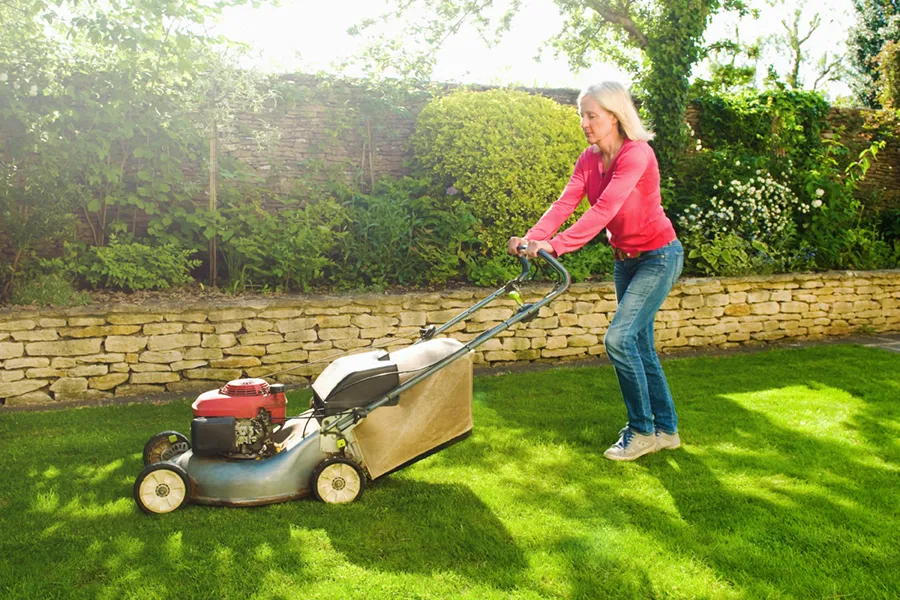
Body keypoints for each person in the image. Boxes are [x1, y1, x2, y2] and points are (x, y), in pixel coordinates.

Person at [507, 81, 684, 462]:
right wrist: (532, 238)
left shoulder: (637, 155)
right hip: (625, 259)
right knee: (640, 345)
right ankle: (666, 431)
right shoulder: (589, 159)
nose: (585, 123)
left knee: (619, 340)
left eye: (592, 115)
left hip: (658, 256)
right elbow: (565, 202)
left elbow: (604, 209)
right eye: (582, 116)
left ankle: (641, 431)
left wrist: (558, 245)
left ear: (616, 116)